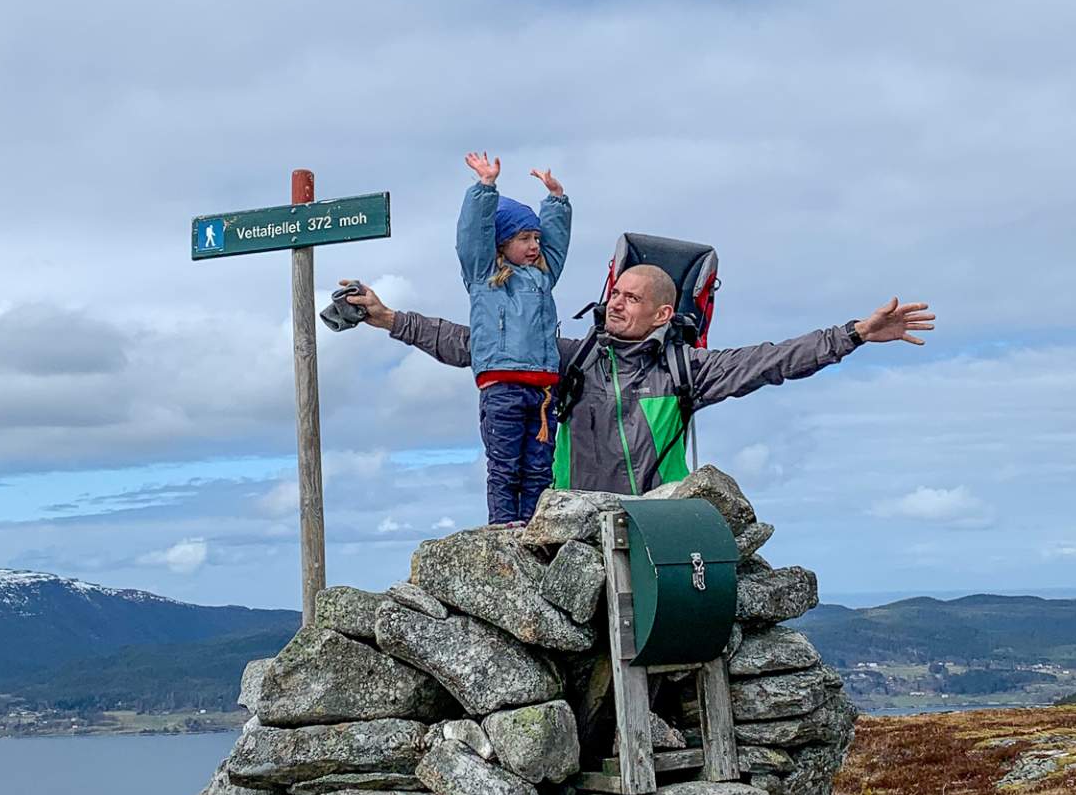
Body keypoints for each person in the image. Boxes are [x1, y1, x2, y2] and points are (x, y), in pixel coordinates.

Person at [339, 264, 936, 496]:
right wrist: (391, 319)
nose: (616, 304)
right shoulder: (569, 359)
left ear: (662, 313)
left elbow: (773, 360)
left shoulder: (685, 371)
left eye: (631, 298)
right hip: (568, 524)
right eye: (615, 294)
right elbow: (476, 346)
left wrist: (855, 334)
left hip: (651, 525)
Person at [455, 151, 571, 524]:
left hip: (543, 391)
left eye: (536, 237)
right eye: (524, 238)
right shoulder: (483, 275)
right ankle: (503, 530)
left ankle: (534, 529)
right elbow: (472, 235)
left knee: (538, 469)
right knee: (505, 468)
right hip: (502, 387)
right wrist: (485, 187)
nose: (534, 245)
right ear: (502, 242)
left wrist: (556, 200)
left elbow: (557, 244)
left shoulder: (543, 276)